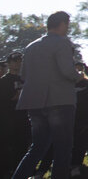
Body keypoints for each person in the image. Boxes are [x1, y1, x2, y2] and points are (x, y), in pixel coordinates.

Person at [12, 11, 81, 179]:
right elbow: (67, 71)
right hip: (59, 102)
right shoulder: (62, 43)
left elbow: (24, 75)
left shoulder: (30, 47)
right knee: (62, 148)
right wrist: (80, 76)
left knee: (37, 147)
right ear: (63, 24)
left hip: (34, 103)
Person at [0, 51, 29, 178]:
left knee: (23, 145)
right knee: (7, 147)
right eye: (15, 61)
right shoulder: (4, 81)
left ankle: (21, 171)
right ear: (9, 63)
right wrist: (16, 96)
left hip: (24, 118)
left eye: (19, 60)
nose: (18, 63)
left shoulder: (25, 78)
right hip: (8, 120)